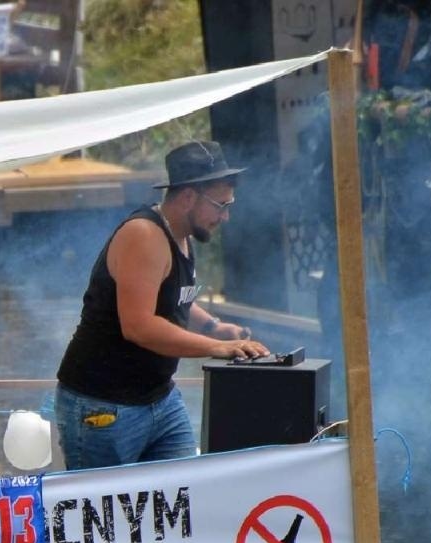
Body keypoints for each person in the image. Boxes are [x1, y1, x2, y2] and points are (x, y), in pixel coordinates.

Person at [53, 140, 271, 471]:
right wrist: (219, 347)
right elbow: (139, 325)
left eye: (229, 205)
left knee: (185, 496)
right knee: (106, 515)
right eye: (220, 205)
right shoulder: (144, 236)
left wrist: (213, 326)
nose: (225, 216)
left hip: (160, 399)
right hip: (103, 405)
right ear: (187, 197)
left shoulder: (182, 233)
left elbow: (174, 295)